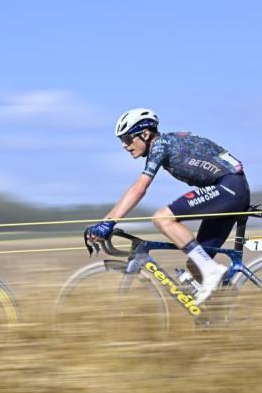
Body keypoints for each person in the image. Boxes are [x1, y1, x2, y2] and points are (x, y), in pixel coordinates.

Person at [85, 108, 250, 304]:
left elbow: (139, 188)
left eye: (127, 139)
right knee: (196, 264)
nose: (124, 145)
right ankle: (221, 312)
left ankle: (212, 270)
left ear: (145, 134)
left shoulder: (161, 144)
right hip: (228, 191)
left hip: (229, 188)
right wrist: (105, 222)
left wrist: (108, 222)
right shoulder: (167, 144)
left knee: (162, 218)